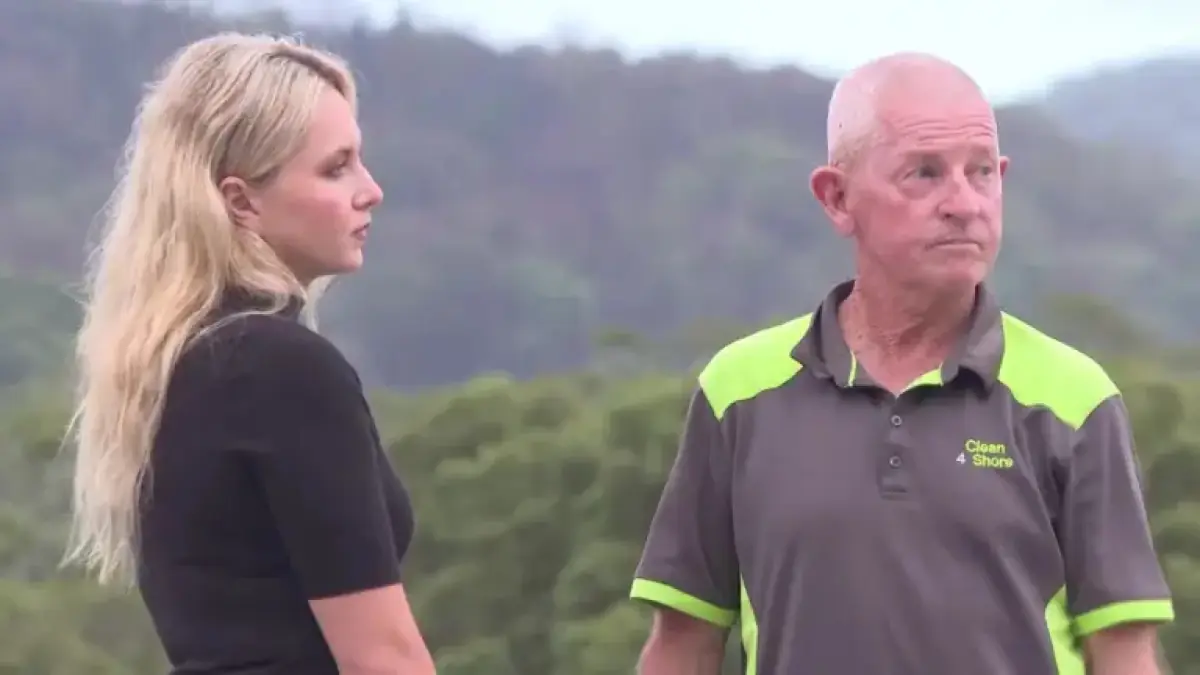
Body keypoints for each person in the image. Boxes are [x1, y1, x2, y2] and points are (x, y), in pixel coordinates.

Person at [629, 52, 1174, 675]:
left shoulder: (1075, 399)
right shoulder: (739, 392)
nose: (963, 202)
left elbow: (1123, 652)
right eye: (924, 173)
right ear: (837, 198)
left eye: (981, 172)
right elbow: (683, 642)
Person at [62, 33, 436, 674]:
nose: (370, 190)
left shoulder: (178, 362)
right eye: (336, 168)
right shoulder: (278, 367)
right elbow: (383, 659)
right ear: (240, 201)